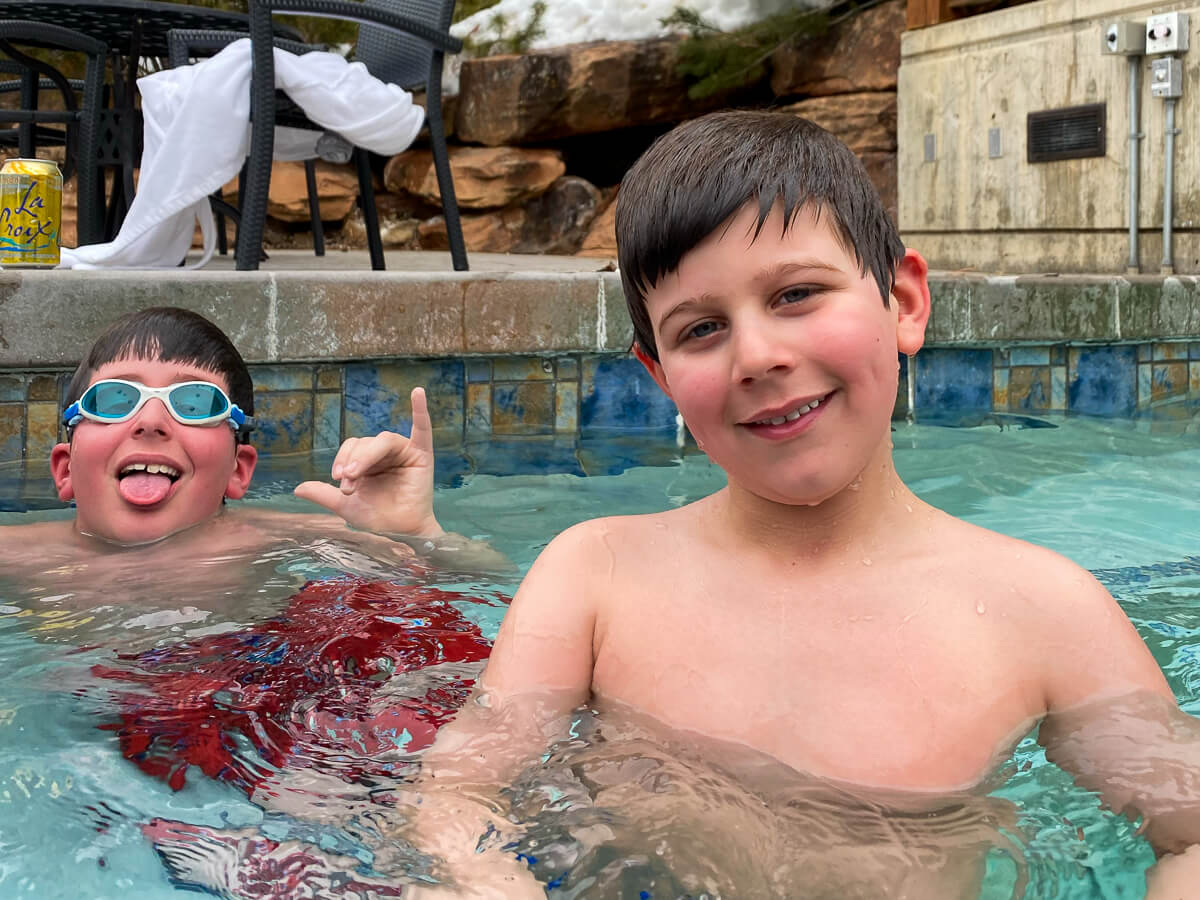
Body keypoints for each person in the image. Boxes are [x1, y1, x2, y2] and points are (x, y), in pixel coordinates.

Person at [349, 111, 1200, 897]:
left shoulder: (1043, 613)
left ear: (904, 303)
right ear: (660, 378)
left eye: (796, 294)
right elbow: (455, 795)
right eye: (700, 329)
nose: (756, 355)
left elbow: (1189, 836)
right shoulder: (597, 574)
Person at [0, 306, 504, 617]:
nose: (150, 421)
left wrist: (417, 535)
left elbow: (490, 583)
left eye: (194, 403)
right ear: (65, 469)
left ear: (238, 470)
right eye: (115, 400)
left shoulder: (288, 540)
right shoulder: (15, 555)